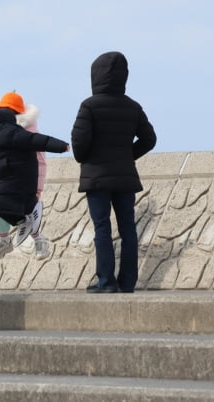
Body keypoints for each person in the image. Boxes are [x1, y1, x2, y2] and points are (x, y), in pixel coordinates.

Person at [71, 51, 157, 293]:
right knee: (128, 228)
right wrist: (128, 155)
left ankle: (106, 282)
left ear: (95, 76)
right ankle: (127, 282)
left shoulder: (89, 106)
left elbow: (78, 143)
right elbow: (149, 139)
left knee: (102, 228)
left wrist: (87, 158)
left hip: (97, 177)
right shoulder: (133, 106)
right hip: (124, 176)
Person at [0, 99, 69, 261]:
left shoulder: (12, 131)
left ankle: (37, 240)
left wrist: (61, 146)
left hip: (18, 184)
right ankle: (8, 238)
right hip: (3, 182)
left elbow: (39, 152)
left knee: (0, 204)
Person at [0, 92, 54, 261]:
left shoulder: (30, 135)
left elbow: (40, 161)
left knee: (28, 214)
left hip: (25, 183)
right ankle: (4, 240)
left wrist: (38, 188)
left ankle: (39, 241)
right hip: (4, 181)